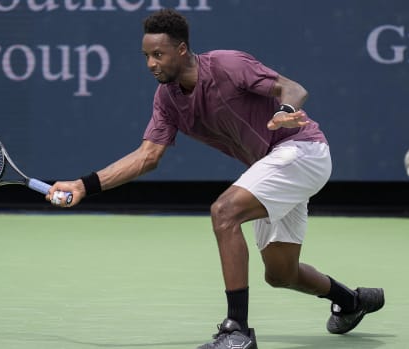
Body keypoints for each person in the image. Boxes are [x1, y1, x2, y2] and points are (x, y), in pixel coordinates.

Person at [47, 8, 384, 349]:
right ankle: (352, 301)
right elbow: (148, 156)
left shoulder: (227, 65)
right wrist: (82, 185)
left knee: (224, 212)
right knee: (281, 274)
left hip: (301, 150)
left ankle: (236, 331)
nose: (151, 63)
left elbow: (292, 88)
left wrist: (284, 112)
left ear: (181, 50)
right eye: (146, 56)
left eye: (158, 54)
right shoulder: (167, 99)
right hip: (271, 164)